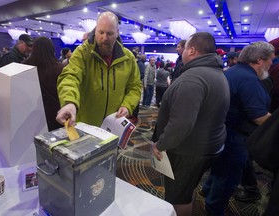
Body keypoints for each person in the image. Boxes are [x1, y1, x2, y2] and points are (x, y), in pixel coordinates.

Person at [151, 32, 230, 216]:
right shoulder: (216, 73)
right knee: (186, 191)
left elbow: (181, 124)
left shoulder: (192, 78)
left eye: (185, 48)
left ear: (192, 50)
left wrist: (161, 144)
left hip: (188, 151)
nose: (182, 52)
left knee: (177, 198)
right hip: (206, 146)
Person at [202, 41, 274, 216]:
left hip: (222, 131)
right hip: (235, 137)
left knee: (219, 172)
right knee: (227, 179)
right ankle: (214, 210)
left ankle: (207, 192)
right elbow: (258, 117)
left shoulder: (232, 72)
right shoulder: (248, 79)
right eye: (271, 60)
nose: (272, 64)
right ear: (259, 59)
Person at [56, 11, 141, 127]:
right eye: (101, 32)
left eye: (110, 33)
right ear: (95, 31)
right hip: (86, 126)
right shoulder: (83, 53)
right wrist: (69, 102)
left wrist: (127, 105)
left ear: (117, 33)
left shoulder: (128, 58)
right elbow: (70, 76)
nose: (104, 38)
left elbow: (135, 86)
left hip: (113, 125)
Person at [23, 37, 64, 131]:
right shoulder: (59, 68)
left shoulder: (24, 67)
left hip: (31, 114)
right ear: (51, 49)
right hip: (57, 114)